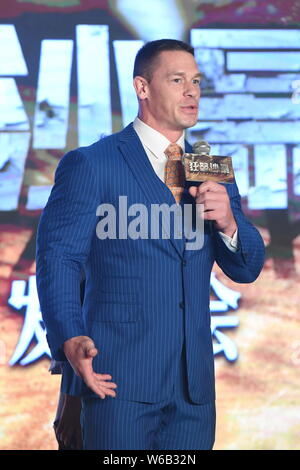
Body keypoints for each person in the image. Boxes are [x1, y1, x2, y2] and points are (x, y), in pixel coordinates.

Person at [36, 39, 265, 450]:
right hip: (116, 378)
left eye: (195, 81)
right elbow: (59, 258)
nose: (191, 92)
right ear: (142, 88)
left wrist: (229, 222)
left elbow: (245, 268)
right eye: (177, 80)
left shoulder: (208, 168)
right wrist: (68, 337)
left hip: (192, 391)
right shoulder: (93, 163)